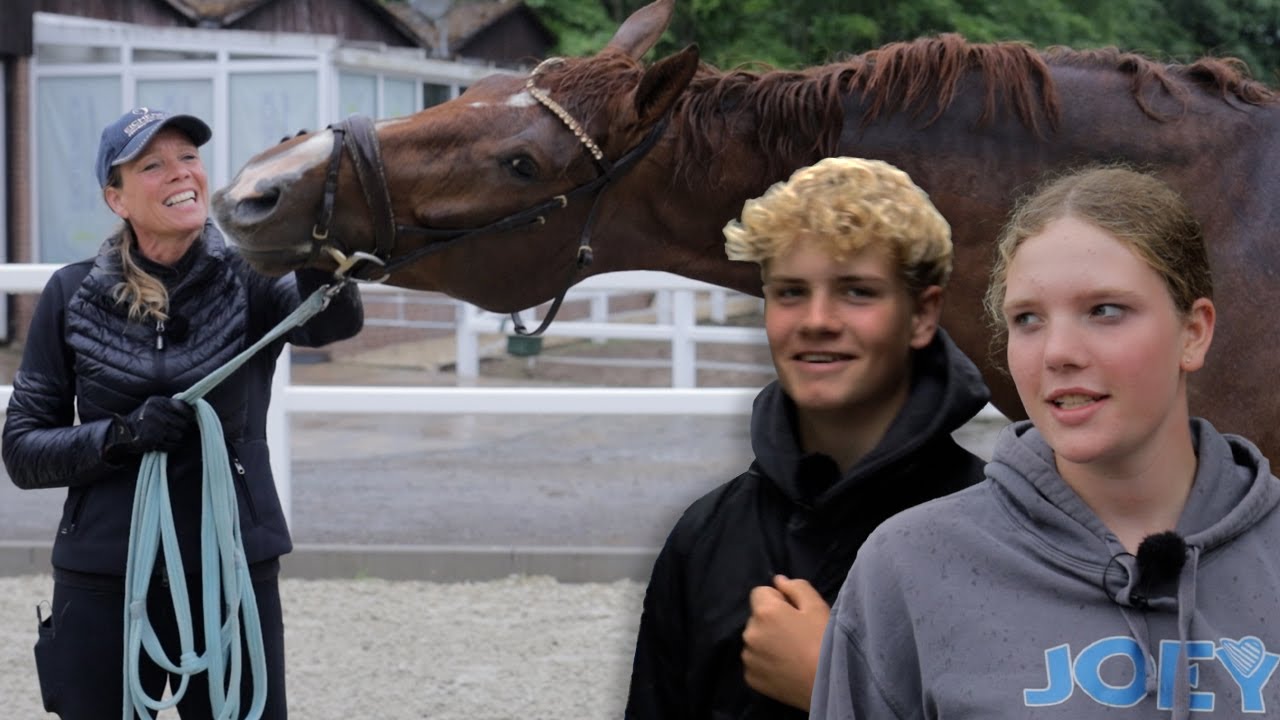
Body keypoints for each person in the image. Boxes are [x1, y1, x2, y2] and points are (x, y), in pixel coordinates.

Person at [811, 165, 1280, 718]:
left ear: (1193, 332)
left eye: (1105, 310)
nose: (1057, 351)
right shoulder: (908, 568)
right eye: (1027, 319)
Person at [2, 107, 363, 719]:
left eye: (188, 157)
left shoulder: (252, 278)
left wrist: (311, 230)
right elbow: (23, 451)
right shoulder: (70, 294)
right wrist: (120, 437)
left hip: (229, 570)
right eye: (153, 165)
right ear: (116, 198)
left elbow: (331, 319)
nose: (181, 173)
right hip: (104, 572)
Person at [625, 157, 991, 718]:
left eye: (857, 292)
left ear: (922, 314)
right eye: (791, 292)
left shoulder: (997, 535)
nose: (816, 319)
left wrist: (832, 685)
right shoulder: (705, 537)